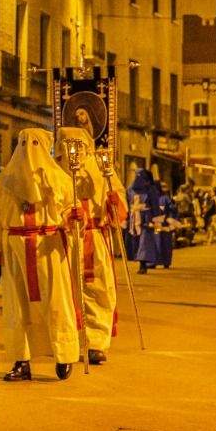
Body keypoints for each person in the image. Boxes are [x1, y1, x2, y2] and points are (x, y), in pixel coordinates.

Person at [0, 129, 78, 382]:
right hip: (16, 247)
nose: (29, 149)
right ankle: (21, 360)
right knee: (18, 307)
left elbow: (71, 208)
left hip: (48, 247)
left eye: (35, 143)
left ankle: (64, 354)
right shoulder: (6, 181)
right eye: (24, 142)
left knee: (56, 302)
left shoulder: (60, 180)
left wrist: (73, 218)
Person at [57, 128, 127, 365]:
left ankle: (95, 341)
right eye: (67, 143)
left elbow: (117, 197)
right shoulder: (55, 168)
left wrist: (114, 202)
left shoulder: (100, 167)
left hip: (94, 236)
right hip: (65, 239)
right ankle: (71, 340)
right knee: (67, 291)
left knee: (98, 289)